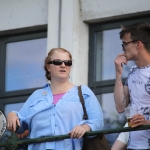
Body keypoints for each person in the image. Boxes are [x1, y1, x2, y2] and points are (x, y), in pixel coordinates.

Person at [7, 48, 104, 150]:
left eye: (68, 63)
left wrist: (85, 128)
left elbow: (98, 120)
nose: (63, 65)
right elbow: (21, 126)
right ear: (48, 67)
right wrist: (12, 115)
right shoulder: (36, 95)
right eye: (58, 62)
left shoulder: (83, 92)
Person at [114, 22, 150, 149]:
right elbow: (120, 107)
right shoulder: (133, 71)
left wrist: (147, 123)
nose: (123, 49)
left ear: (138, 44)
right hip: (134, 146)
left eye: (125, 44)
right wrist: (118, 74)